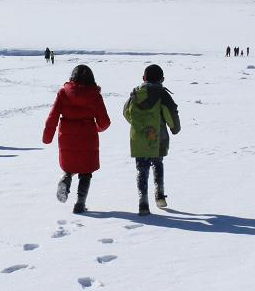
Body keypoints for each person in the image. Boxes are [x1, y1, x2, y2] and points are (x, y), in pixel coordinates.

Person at [42, 65, 111, 214]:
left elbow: (52, 117)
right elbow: (105, 122)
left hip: (67, 138)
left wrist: (47, 137)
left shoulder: (63, 93)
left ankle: (66, 179)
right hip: (88, 138)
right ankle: (80, 203)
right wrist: (96, 128)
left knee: (70, 166)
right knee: (86, 172)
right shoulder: (94, 95)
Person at [123, 64, 181, 216]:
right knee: (158, 163)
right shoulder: (163, 95)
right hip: (158, 138)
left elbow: (126, 112)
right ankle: (159, 195)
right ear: (162, 79)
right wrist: (175, 128)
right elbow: (171, 113)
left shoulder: (135, 94)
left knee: (141, 169)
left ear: (143, 78)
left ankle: (143, 202)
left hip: (139, 139)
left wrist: (139, 125)